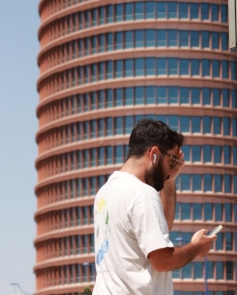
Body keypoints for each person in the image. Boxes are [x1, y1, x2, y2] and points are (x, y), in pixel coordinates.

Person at [92, 119, 216, 295]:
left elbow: (158, 228)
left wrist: (170, 180)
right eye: (172, 160)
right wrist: (197, 247)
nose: (170, 168)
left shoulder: (105, 192)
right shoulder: (143, 194)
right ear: (154, 153)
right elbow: (162, 261)